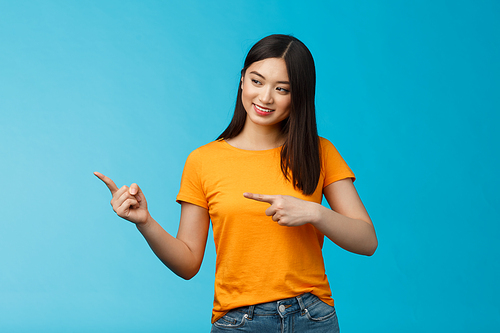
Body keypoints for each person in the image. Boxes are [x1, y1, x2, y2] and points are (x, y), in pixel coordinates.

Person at [95, 34, 377, 333]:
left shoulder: (320, 152)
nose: (265, 98)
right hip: (238, 322)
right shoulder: (203, 161)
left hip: (311, 317)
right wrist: (145, 222)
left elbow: (367, 241)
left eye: (282, 89)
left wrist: (314, 213)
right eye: (257, 81)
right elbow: (188, 263)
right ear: (242, 80)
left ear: (299, 96)